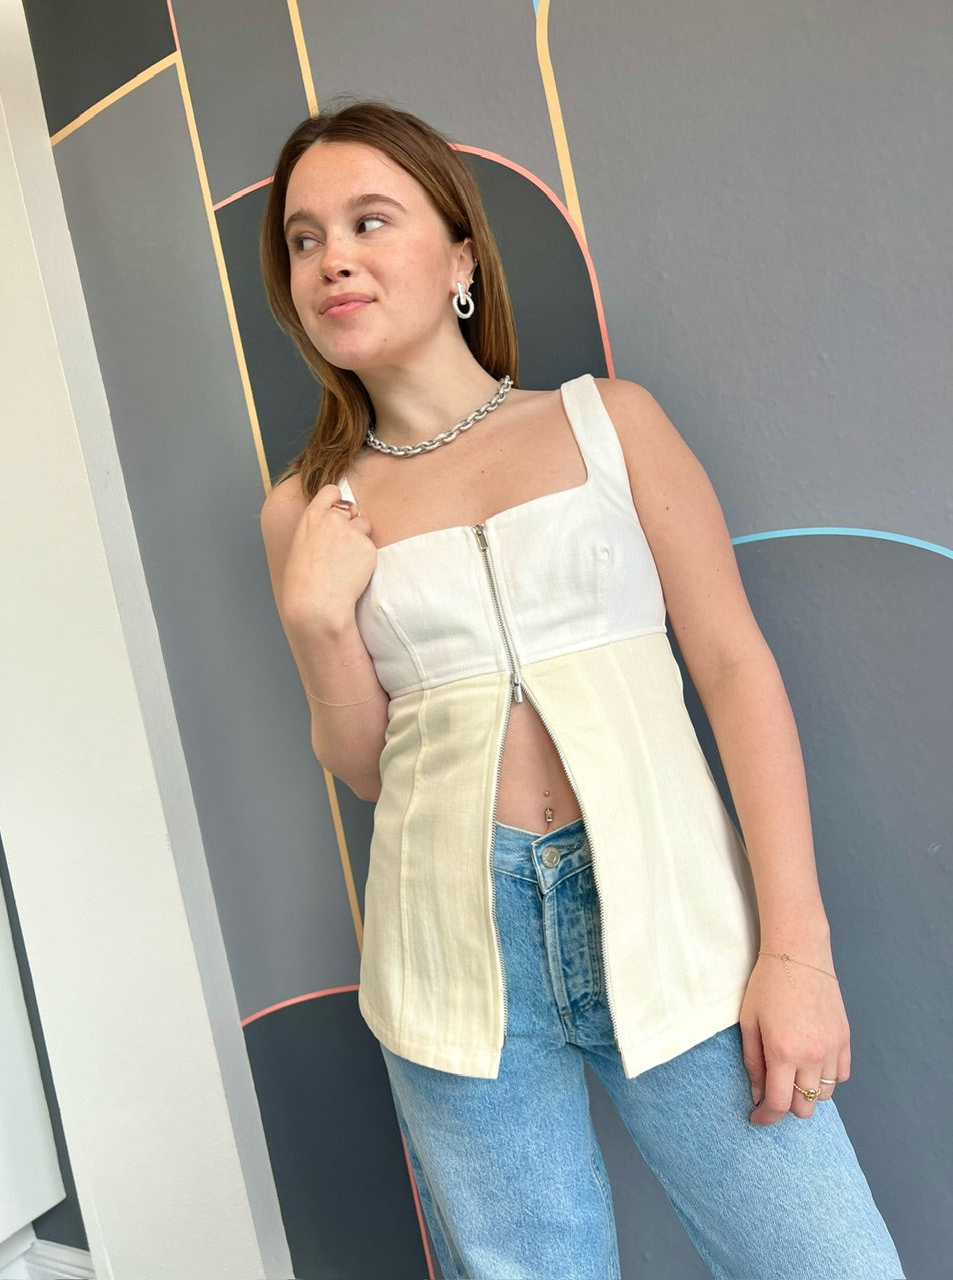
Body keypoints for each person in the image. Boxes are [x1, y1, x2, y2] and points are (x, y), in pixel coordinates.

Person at [258, 100, 904, 1280]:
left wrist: (797, 951)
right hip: (455, 961)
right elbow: (366, 767)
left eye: (368, 221)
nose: (331, 258)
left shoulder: (610, 423)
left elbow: (735, 670)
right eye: (304, 239)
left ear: (461, 257)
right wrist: (314, 621)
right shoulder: (307, 510)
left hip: (679, 924)